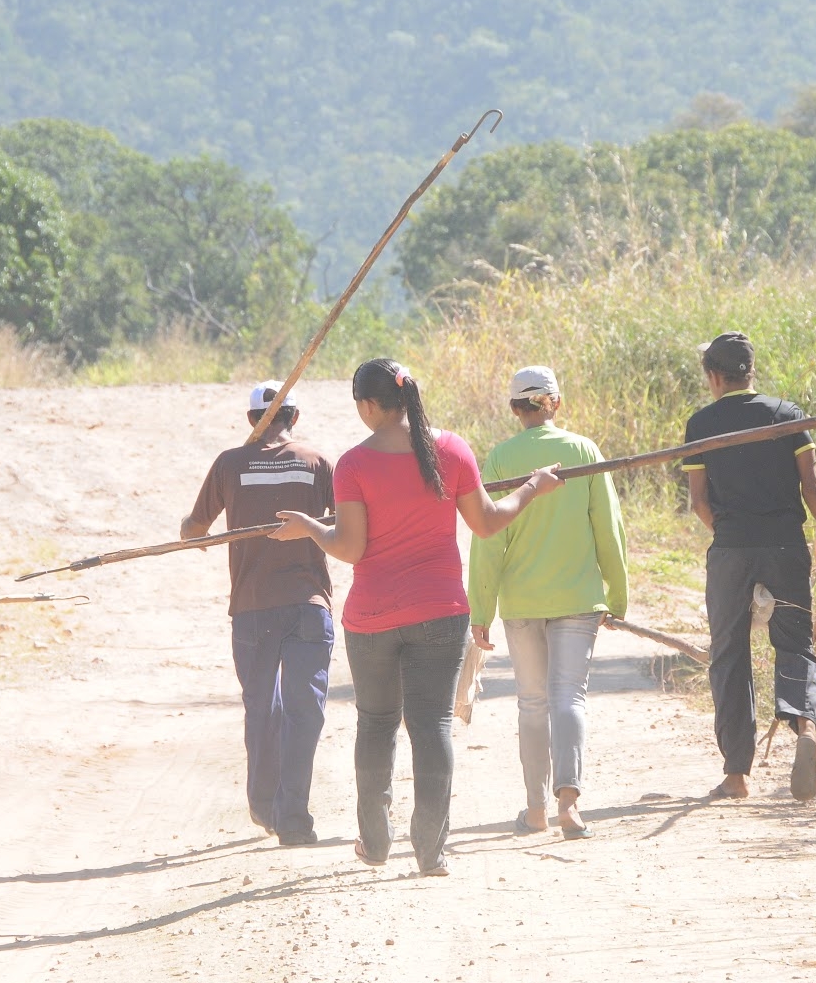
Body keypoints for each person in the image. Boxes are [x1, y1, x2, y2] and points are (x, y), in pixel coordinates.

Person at [271, 358, 563, 876]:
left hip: (373, 618)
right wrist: (532, 488)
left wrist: (311, 528)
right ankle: (431, 851)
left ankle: (375, 842)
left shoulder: (355, 465)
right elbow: (489, 523)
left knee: (376, 725)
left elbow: (352, 547)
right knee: (432, 728)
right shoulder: (450, 449)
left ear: (367, 405)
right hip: (441, 612)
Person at [682, 332, 816, 803]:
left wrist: (730, 532)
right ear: (750, 372)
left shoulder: (701, 424)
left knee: (729, 654)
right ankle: (806, 727)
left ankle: (737, 775)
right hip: (786, 546)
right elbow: (812, 488)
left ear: (714, 377)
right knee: (795, 643)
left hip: (732, 549)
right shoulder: (788, 415)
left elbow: (699, 502)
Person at [468, 366, 629, 840]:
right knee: (569, 696)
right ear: (554, 402)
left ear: (515, 408)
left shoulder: (499, 459)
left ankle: (535, 809)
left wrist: (481, 610)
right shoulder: (583, 451)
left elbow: (487, 539)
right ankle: (569, 803)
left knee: (532, 703)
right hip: (579, 598)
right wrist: (616, 597)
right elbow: (609, 530)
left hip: (521, 602)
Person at [183, 382, 336, 847]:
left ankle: (261, 801)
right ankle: (292, 818)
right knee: (303, 709)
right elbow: (348, 524)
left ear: (252, 420)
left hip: (251, 610)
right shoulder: (316, 463)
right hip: (309, 607)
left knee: (261, 706)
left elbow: (194, 530)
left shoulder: (229, 464)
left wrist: (194, 532)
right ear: (295, 416)